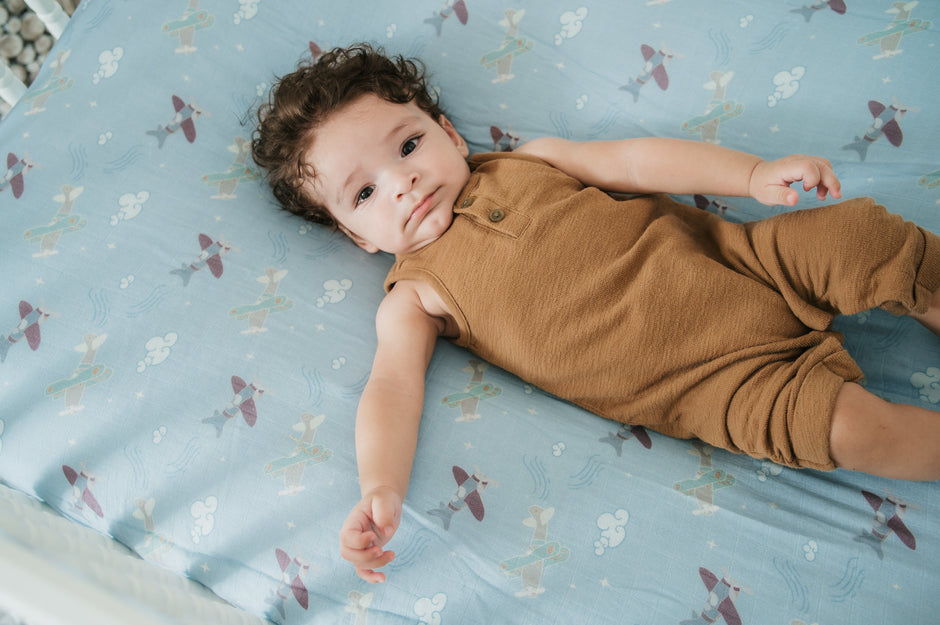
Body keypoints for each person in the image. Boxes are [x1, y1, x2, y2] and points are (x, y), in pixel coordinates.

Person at [251, 44, 940, 583]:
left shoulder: (532, 161)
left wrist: (752, 175)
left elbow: (638, 163)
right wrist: (379, 486)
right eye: (365, 191)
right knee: (847, 427)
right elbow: (391, 390)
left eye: (407, 146)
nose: (402, 181)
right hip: (720, 386)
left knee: (865, 238)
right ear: (358, 236)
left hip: (751, 262)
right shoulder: (414, 297)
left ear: (450, 135)